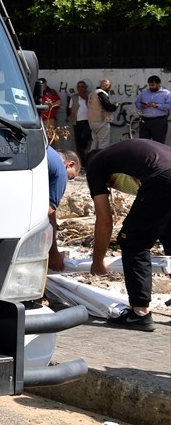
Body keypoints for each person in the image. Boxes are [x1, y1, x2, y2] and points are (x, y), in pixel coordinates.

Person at [86, 139, 171, 331]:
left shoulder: (95, 166)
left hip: (163, 177)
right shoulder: (125, 153)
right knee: (167, 233)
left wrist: (98, 259)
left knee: (133, 240)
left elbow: (105, 220)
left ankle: (139, 312)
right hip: (165, 174)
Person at [45, 145, 80, 272]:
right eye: (70, 178)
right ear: (69, 164)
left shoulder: (46, 152)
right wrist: (53, 254)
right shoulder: (60, 170)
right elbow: (48, 213)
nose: (67, 181)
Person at [134, 75, 170, 145]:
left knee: (158, 143)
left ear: (159, 84)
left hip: (159, 121)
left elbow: (169, 106)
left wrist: (156, 106)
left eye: (153, 85)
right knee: (143, 142)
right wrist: (141, 106)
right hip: (145, 120)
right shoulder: (144, 93)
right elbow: (137, 102)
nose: (151, 87)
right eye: (150, 85)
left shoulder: (166, 93)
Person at [87, 79, 118, 152]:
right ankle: (101, 160)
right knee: (103, 143)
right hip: (101, 121)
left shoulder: (92, 94)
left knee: (94, 142)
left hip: (92, 121)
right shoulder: (101, 93)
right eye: (108, 85)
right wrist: (115, 106)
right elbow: (108, 107)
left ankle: (91, 159)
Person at [66, 80, 92, 162]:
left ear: (86, 87)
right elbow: (70, 108)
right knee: (78, 143)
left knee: (84, 137)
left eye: (82, 86)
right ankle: (83, 162)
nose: (80, 88)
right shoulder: (74, 97)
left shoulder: (90, 96)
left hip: (88, 121)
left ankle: (84, 147)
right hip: (76, 122)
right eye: (79, 87)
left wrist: (85, 96)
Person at [37, 78, 61, 144]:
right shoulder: (35, 92)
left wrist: (50, 105)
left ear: (46, 83)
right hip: (38, 119)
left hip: (49, 120)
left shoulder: (52, 92)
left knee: (50, 139)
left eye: (44, 84)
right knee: (39, 139)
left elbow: (59, 103)